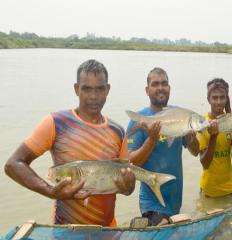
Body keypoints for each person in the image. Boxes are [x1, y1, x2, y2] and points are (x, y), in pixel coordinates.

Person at [4, 59, 135, 226]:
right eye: (86, 89)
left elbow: (127, 189)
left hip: (108, 230)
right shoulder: (56, 123)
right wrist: (50, 191)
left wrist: (128, 188)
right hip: (65, 230)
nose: (93, 96)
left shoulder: (118, 131)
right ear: (76, 89)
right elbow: (13, 164)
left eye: (99, 89)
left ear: (108, 90)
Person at [126, 67, 199, 226]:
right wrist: (152, 139)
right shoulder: (139, 120)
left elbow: (195, 151)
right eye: (155, 84)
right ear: (147, 90)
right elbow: (130, 163)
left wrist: (190, 133)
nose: (160, 88)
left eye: (164, 84)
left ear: (169, 88)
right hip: (151, 201)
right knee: (163, 229)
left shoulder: (180, 114)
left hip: (175, 200)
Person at [197, 78, 232, 198]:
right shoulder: (202, 123)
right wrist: (213, 137)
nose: (219, 102)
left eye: (222, 97)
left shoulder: (231, 121)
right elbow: (205, 163)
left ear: (227, 99)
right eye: (215, 98)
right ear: (208, 100)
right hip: (210, 190)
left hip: (231, 185)